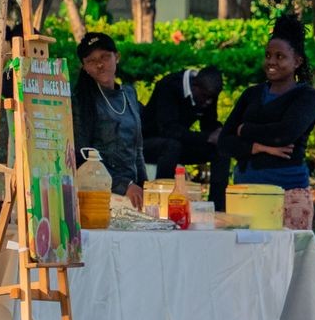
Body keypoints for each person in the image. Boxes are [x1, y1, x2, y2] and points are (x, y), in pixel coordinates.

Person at [212, 15, 315, 230]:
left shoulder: (305, 96)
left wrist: (245, 129)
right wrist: (258, 147)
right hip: (245, 192)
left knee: (287, 259)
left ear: (297, 61)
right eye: (268, 55)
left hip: (288, 193)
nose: (271, 62)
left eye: (280, 57)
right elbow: (224, 141)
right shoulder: (251, 94)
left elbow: (285, 134)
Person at [70, 33, 147, 208]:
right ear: (84, 67)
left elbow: (138, 149)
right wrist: (124, 186)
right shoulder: (81, 101)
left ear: (117, 57)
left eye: (105, 57)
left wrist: (145, 186)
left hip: (134, 192)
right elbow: (81, 155)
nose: (99, 64)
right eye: (91, 61)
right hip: (99, 193)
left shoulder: (129, 94)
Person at [142, 65, 223, 181]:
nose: (208, 102)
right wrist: (208, 137)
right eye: (205, 97)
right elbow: (168, 130)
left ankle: (218, 198)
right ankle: (164, 192)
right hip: (147, 143)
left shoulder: (207, 91)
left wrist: (219, 133)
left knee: (220, 147)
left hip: (177, 143)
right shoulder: (169, 86)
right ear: (194, 86)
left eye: (212, 98)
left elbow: (208, 123)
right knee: (171, 146)